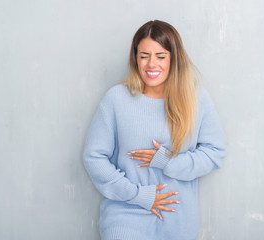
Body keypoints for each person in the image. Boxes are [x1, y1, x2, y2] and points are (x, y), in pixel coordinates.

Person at [83, 20, 227, 240]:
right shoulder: (117, 99)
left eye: (161, 56)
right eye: (144, 56)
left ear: (173, 59)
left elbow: (215, 152)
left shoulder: (196, 98)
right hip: (125, 217)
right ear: (135, 58)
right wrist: (137, 195)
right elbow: (94, 158)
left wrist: (169, 162)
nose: (151, 65)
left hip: (178, 222)